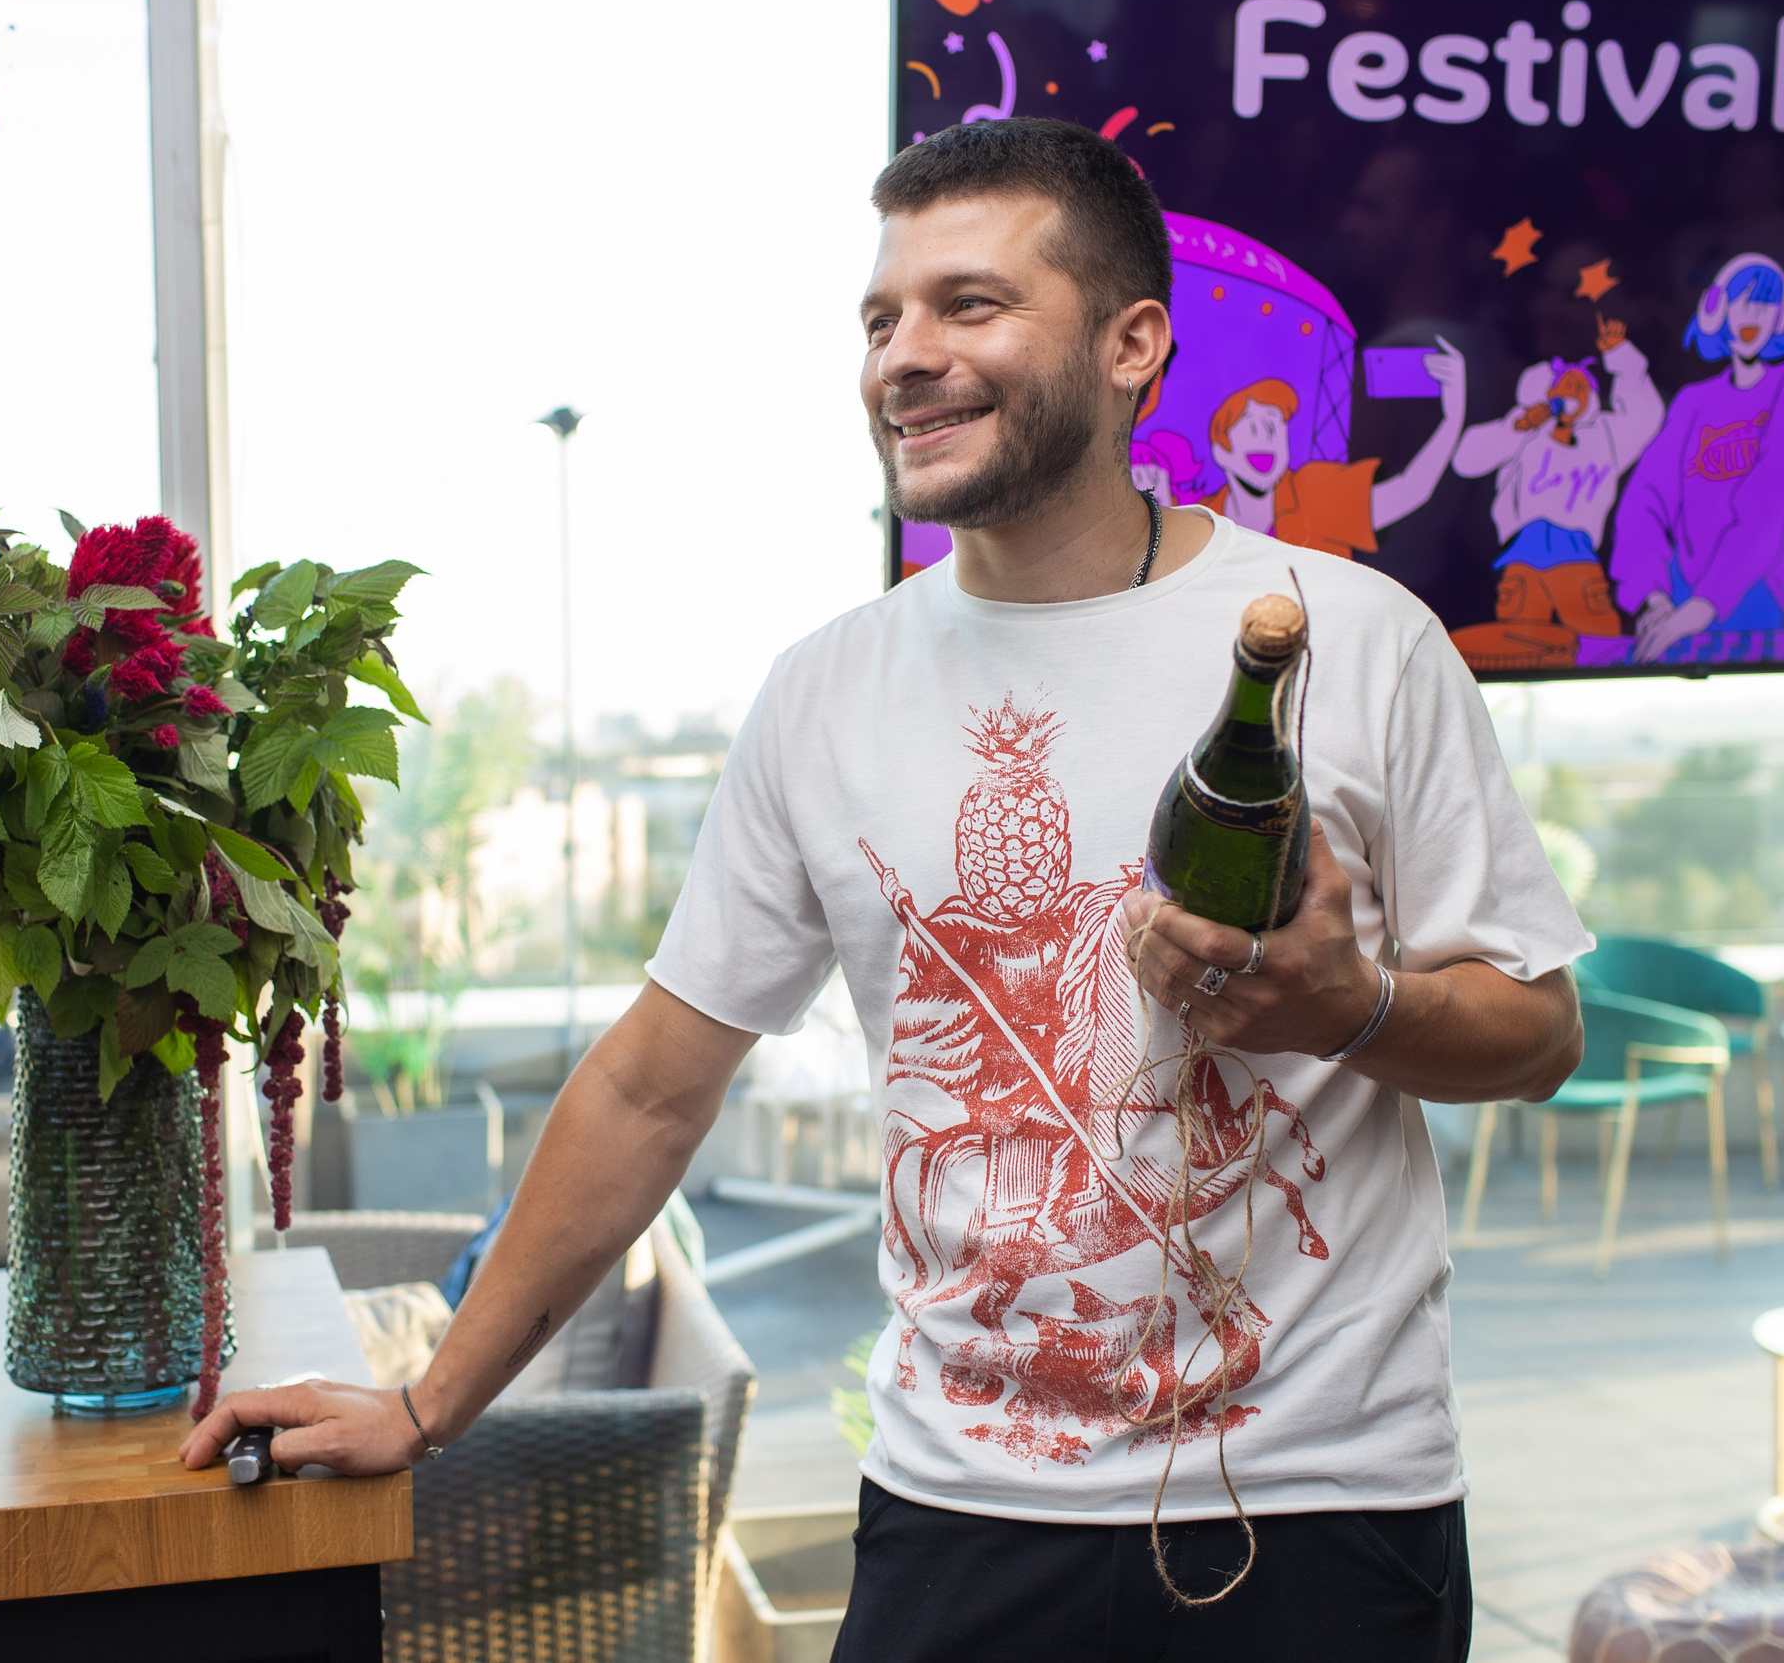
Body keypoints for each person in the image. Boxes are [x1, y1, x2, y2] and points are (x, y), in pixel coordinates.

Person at [182, 117, 1586, 1662]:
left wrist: (1354, 1006)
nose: (904, 356)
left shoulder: (1356, 636)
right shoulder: (828, 692)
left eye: (969, 305)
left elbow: (1536, 1027)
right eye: (880, 318)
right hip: (959, 1516)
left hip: (1321, 1516)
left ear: (1134, 345)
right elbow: (654, 1082)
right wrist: (425, 1401)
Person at [1608, 252, 1784, 663]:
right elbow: (1644, 500)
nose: (1753, 315)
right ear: (1716, 311)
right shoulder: (1694, 401)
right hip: (1678, 599)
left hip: (1755, 591)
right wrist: (1653, 598)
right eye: (1742, 301)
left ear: (1782, 316)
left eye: (1766, 304)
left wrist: (1703, 607)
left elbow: (1773, 498)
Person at [1450, 314, 1662, 635]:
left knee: (1595, 639)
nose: (1574, 391)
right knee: (1520, 639)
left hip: (1578, 558)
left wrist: (1623, 358)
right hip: (1523, 555)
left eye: (1582, 387)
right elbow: (1466, 460)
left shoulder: (1604, 436)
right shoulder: (1526, 431)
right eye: (1566, 384)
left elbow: (1646, 416)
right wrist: (1516, 427)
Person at [1200, 350, 1467, 558]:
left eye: (1275, 423)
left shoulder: (1315, 493)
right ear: (1221, 451)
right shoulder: (1199, 519)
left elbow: (1410, 489)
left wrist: (1452, 420)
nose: (1266, 434)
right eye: (1250, 424)